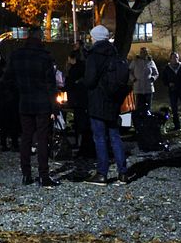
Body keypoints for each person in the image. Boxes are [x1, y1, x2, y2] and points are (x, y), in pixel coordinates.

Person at [2, 26, 59, 187]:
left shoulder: (17, 55)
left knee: (26, 137)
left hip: (24, 101)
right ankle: (43, 174)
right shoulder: (45, 57)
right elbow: (50, 84)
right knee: (42, 138)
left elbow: (8, 79)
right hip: (41, 102)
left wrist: (17, 94)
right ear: (39, 37)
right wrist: (54, 106)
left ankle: (26, 173)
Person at [83, 24, 130, 185]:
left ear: (94, 37)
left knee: (100, 138)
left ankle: (102, 173)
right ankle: (123, 173)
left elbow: (89, 81)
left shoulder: (94, 55)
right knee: (115, 136)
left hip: (98, 101)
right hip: (113, 100)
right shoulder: (116, 54)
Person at [65, 50, 93, 158]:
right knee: (84, 123)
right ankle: (84, 145)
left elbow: (70, 84)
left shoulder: (74, 69)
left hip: (77, 99)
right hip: (84, 99)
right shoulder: (85, 67)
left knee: (79, 123)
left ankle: (80, 145)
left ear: (72, 58)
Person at [161, 52, 181, 130]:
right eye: (173, 57)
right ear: (170, 59)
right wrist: (169, 84)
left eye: (176, 57)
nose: (175, 59)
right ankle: (177, 126)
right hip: (173, 91)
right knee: (174, 108)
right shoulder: (167, 68)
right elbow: (164, 79)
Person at [129, 47, 158, 116]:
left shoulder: (150, 62)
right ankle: (139, 122)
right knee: (139, 107)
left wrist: (153, 78)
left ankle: (147, 122)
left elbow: (156, 73)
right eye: (142, 52)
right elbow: (130, 71)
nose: (143, 54)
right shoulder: (135, 61)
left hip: (148, 88)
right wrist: (133, 79)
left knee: (148, 107)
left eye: (145, 52)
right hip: (138, 88)